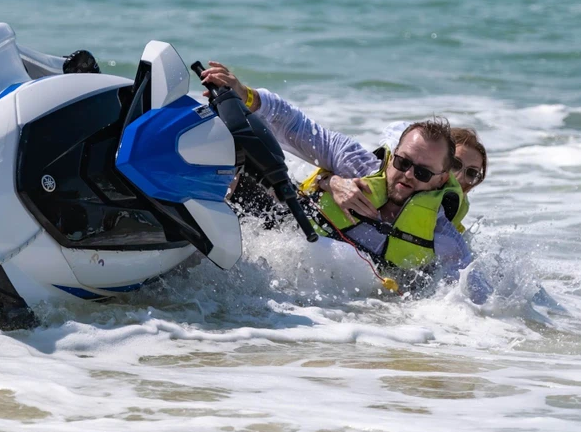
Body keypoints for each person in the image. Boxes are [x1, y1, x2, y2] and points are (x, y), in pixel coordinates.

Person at [201, 62, 488, 299]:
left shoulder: (443, 233)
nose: (408, 176)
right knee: (239, 148)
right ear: (393, 156)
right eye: (402, 163)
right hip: (289, 234)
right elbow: (293, 124)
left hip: (343, 307)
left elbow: (470, 295)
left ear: (441, 180)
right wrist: (243, 93)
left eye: (423, 173)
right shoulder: (358, 164)